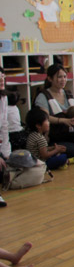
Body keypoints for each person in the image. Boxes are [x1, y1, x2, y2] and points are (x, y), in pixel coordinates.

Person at [33, 63, 74, 158]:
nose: (63, 80)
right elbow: (45, 117)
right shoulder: (43, 96)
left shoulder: (68, 94)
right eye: (59, 77)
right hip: (54, 136)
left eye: (64, 76)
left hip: (71, 135)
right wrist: (63, 120)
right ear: (50, 79)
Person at [0, 68, 10, 207]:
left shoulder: (3, 97)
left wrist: (5, 153)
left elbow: (4, 126)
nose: (2, 80)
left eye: (3, 76)